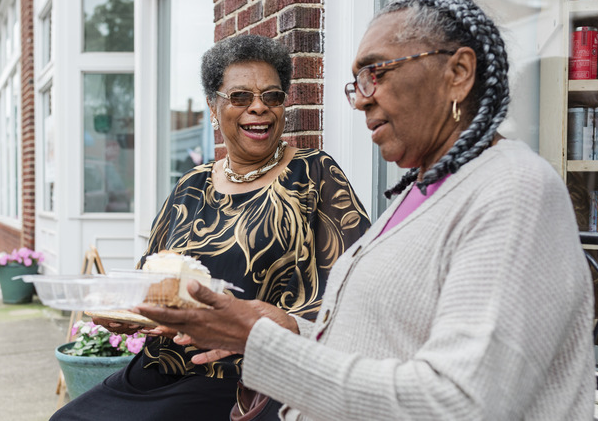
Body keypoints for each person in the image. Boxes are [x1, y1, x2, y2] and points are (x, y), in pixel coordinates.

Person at [137, 0, 596, 420]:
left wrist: (256, 342)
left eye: (376, 72)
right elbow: (380, 337)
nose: (360, 99)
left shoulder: (513, 191)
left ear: (457, 74)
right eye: (356, 81)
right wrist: (283, 324)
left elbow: (458, 404)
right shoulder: (418, 193)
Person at [51, 34, 371, 420]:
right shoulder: (191, 185)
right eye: (240, 97)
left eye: (272, 97)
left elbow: (358, 286)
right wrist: (124, 309)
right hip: (161, 367)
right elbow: (151, 278)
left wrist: (280, 325)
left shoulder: (315, 174)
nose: (259, 108)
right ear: (213, 107)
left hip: (243, 380)